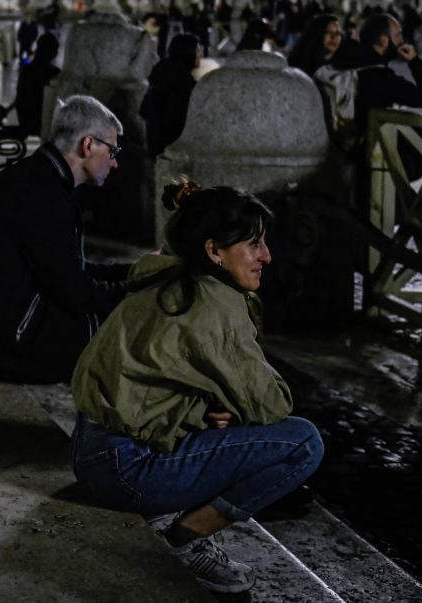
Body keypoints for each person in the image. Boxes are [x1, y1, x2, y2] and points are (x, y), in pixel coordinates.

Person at [70, 180, 323, 595]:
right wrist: (231, 405)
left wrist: (212, 407)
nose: (267, 256)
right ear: (213, 251)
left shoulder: (164, 275)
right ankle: (187, 536)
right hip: (128, 469)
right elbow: (272, 405)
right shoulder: (212, 304)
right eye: (253, 244)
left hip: (92, 450)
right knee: (303, 444)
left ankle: (169, 510)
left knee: (222, 418)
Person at [0, 96, 131, 382]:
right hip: (11, 346)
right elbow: (74, 293)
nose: (114, 163)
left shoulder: (36, 178)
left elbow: (64, 269)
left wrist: (133, 272)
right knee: (135, 327)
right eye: (113, 151)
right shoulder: (42, 196)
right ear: (88, 145)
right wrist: (133, 292)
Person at [140, 34, 201, 159]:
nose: (200, 55)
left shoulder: (163, 71)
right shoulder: (180, 80)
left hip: (154, 141)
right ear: (188, 52)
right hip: (170, 146)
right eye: (197, 51)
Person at [13, 32, 61, 136]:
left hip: (24, 119)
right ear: (52, 51)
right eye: (56, 49)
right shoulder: (53, 72)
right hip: (39, 123)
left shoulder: (26, 69)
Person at [286, 13, 342, 77]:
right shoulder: (296, 64)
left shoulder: (342, 71)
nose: (333, 37)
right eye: (327, 31)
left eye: (338, 33)